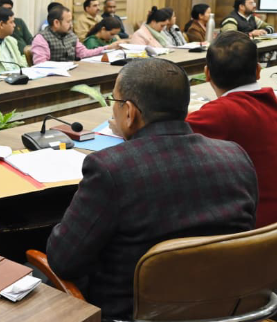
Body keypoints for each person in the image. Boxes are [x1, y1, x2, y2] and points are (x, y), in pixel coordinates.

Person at [47, 58, 258, 320]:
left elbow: (63, 261)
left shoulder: (110, 169)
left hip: (131, 315)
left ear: (129, 111)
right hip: (226, 311)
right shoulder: (235, 156)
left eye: (115, 102)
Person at [187, 31, 277, 227]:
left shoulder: (220, 114)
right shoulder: (271, 101)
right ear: (258, 70)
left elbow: (163, 134)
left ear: (207, 74)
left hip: (252, 228)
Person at [31, 5, 120, 64]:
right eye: (68, 22)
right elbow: (41, 64)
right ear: (56, 23)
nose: (71, 25)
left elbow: (84, 53)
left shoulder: (71, 35)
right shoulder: (41, 38)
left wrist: (107, 48)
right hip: (52, 79)